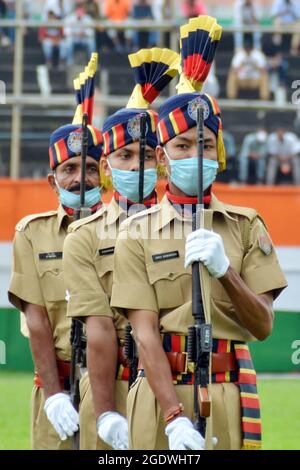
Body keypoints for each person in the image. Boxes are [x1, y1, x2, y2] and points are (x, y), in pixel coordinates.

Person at [110, 16, 287, 450]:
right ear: (164, 156)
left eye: (206, 144)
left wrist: (226, 271)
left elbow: (263, 325)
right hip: (158, 397)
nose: (197, 154)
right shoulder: (136, 232)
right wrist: (173, 419)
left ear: (219, 148)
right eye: (184, 146)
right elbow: (144, 334)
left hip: (228, 394)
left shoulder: (246, 226)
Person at [63, 47, 180, 450]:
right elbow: (97, 328)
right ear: (107, 166)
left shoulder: (183, 226)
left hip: (173, 384)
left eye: (146, 155)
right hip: (110, 382)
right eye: (125, 156)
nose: (137, 166)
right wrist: (108, 412)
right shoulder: (84, 235)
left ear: (161, 162)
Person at [8, 60, 103, 450]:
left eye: (92, 168)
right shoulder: (32, 233)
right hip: (57, 385)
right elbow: (36, 318)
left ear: (104, 176)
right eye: (68, 170)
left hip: (113, 386)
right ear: (52, 181)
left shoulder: (128, 229)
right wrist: (53, 394)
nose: (81, 178)